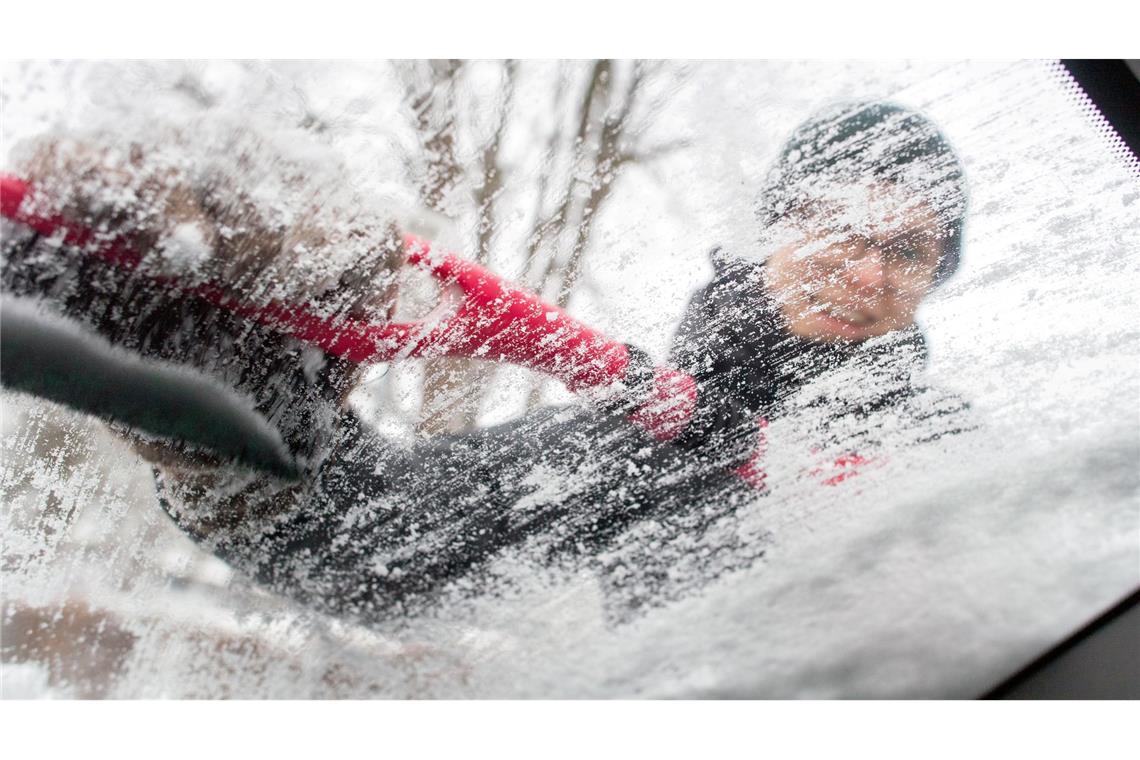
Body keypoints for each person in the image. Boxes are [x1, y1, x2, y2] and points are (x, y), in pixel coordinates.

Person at [0, 101, 970, 626]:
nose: (865, 267)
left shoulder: (928, 441)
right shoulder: (668, 408)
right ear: (775, 227)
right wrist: (252, 427)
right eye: (837, 224)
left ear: (934, 279)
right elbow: (386, 546)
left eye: (909, 250)